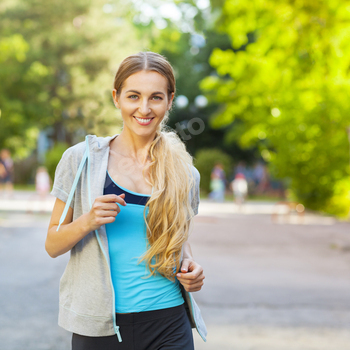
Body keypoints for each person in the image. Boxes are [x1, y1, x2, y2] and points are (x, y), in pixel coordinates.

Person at [45, 52, 207, 350]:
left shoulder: (185, 172)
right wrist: (87, 221)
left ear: (170, 100)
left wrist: (189, 265)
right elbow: (52, 245)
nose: (144, 108)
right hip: (100, 327)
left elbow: (179, 239)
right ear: (116, 98)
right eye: (134, 96)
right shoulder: (80, 161)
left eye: (156, 97)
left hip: (168, 322)